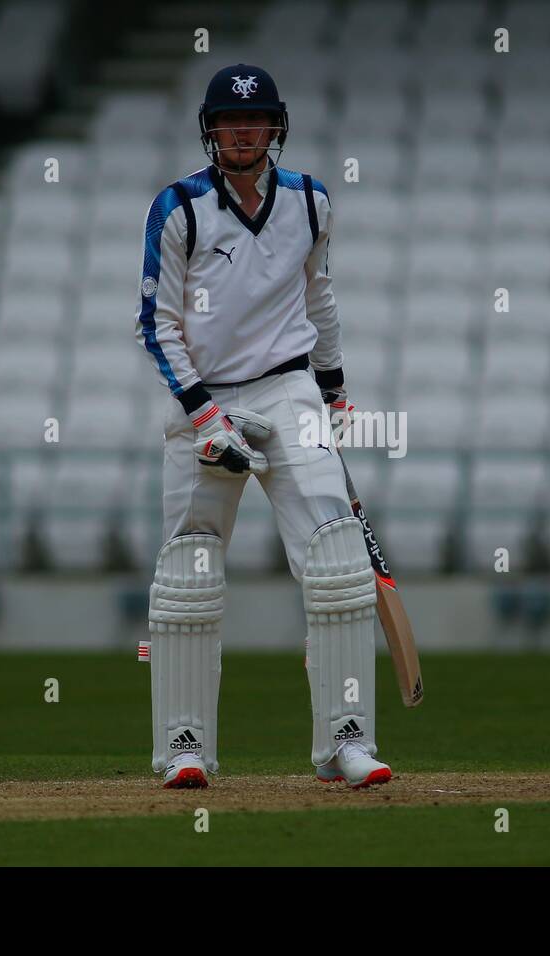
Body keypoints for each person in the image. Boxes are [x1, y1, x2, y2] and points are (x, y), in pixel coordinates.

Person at [137, 64, 391, 790]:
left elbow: (322, 300)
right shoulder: (179, 208)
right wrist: (206, 418)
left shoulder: (309, 200)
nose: (241, 134)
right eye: (227, 123)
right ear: (210, 131)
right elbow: (157, 325)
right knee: (189, 569)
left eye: (253, 122)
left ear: (274, 128)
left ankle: (347, 743)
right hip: (203, 397)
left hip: (288, 389)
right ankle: (184, 748)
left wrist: (334, 393)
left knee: (338, 562)